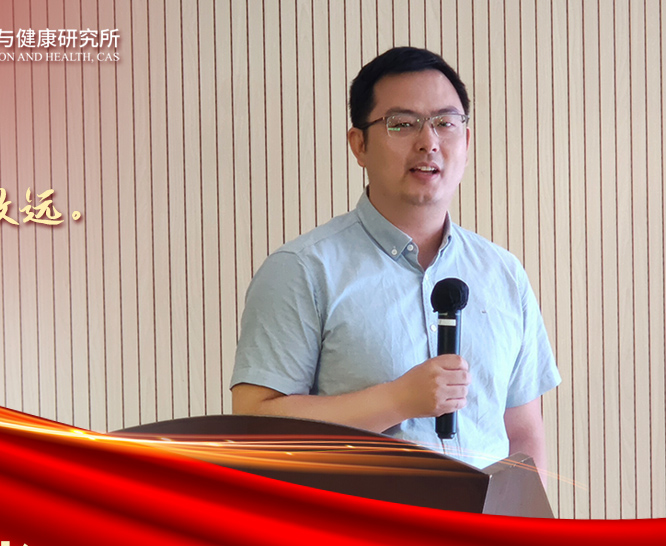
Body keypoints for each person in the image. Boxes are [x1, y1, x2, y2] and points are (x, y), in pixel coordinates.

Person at [230, 47, 560, 473]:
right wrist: (397, 400)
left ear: (466, 141)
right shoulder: (303, 269)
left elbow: (523, 434)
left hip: (486, 518)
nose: (429, 142)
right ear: (359, 145)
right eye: (402, 124)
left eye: (445, 123)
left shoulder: (503, 273)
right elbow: (254, 426)